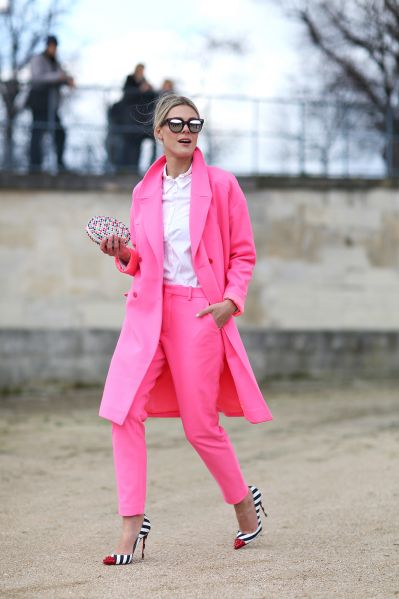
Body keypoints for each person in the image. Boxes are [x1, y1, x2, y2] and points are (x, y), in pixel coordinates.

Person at [98, 94, 273, 566]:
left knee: (200, 427)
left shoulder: (222, 184)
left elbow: (243, 253)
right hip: (148, 312)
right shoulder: (143, 191)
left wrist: (230, 303)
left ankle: (244, 503)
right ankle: (132, 524)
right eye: (175, 123)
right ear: (158, 132)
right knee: (123, 412)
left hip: (199, 312)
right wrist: (122, 253)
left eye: (193, 124)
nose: (185, 130)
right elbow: (143, 261)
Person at [26, 35, 75, 172]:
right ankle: (35, 166)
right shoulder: (38, 59)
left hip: (51, 105)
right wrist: (59, 77)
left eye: (55, 47)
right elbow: (37, 78)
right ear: (47, 46)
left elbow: (61, 76)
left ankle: (60, 164)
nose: (53, 49)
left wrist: (67, 80)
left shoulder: (55, 63)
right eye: (51, 46)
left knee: (60, 133)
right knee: (38, 133)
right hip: (39, 103)